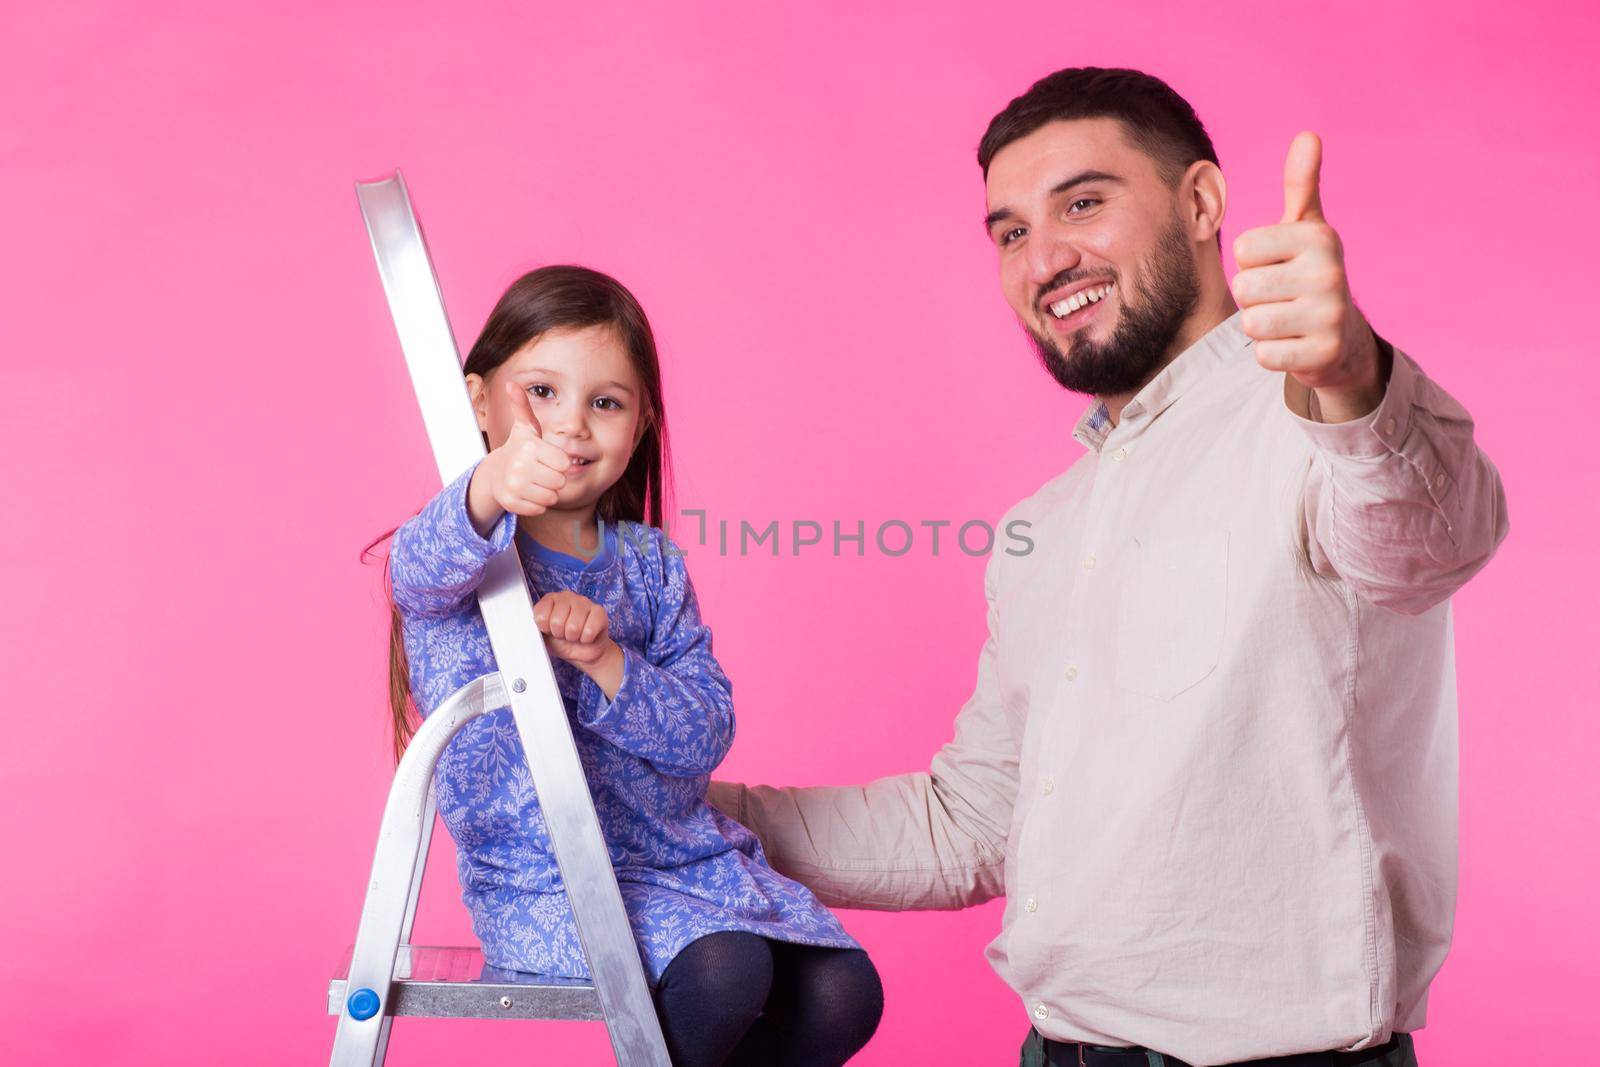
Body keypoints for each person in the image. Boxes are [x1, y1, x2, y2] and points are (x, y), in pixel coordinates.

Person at [708, 67, 1508, 1067]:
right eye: (1008, 232)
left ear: (1202, 202)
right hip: (1058, 1050)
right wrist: (675, 813)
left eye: (1083, 202)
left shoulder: (1317, 426)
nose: (1045, 257)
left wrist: (1352, 377)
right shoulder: (1044, 526)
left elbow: (1433, 538)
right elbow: (968, 824)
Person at [378, 265, 884, 1066]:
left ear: (641, 424)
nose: (572, 427)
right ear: (481, 402)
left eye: (604, 403)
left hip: (684, 859)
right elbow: (416, 566)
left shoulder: (650, 564)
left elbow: (705, 729)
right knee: (725, 970)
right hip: (547, 878)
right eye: (541, 392)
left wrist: (611, 661)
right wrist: (487, 485)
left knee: (844, 991)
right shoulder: (466, 552)